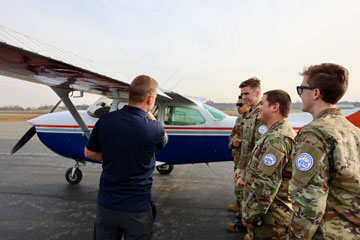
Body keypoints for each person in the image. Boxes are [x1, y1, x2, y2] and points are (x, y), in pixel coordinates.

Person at [84, 75, 168, 240]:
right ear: (150, 99)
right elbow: (164, 139)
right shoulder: (155, 128)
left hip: (107, 205)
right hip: (138, 208)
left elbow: (89, 153)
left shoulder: (105, 121)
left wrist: (112, 157)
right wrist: (149, 114)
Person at [289, 63, 360, 239]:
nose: (300, 95)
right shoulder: (354, 131)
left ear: (315, 93)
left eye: (301, 89)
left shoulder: (314, 133)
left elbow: (309, 200)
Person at [241, 90, 296, 239]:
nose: (258, 107)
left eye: (262, 104)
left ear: (274, 107)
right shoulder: (275, 133)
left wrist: (251, 215)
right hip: (270, 216)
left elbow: (265, 183)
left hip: (271, 221)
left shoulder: (277, 139)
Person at [228, 77, 267, 233]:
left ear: (257, 93)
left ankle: (252, 233)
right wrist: (241, 168)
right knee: (247, 201)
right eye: (241, 94)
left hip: (255, 170)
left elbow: (260, 148)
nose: (243, 98)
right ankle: (247, 229)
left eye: (246, 94)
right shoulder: (249, 115)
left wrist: (246, 171)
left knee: (254, 201)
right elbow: (246, 146)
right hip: (245, 167)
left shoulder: (261, 115)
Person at [227, 95, 250, 214]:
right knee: (237, 182)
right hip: (238, 157)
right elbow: (232, 136)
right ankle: (238, 204)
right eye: (237, 105)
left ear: (248, 105)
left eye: (240, 105)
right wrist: (233, 143)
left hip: (247, 159)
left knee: (246, 186)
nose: (238, 107)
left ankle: (244, 214)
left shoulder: (254, 120)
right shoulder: (239, 119)